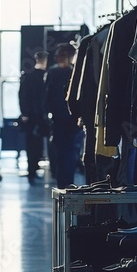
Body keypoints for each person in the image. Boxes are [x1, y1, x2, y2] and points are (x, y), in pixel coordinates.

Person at [44, 43, 82, 188]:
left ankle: (68, 183)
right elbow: (47, 97)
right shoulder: (53, 73)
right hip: (59, 121)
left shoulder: (75, 72)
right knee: (61, 154)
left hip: (72, 122)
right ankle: (63, 184)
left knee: (71, 154)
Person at [18, 50, 48, 185]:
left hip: (30, 115)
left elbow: (22, 96)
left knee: (31, 145)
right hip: (41, 115)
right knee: (39, 144)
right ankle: (34, 169)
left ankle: (32, 170)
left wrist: (25, 112)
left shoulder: (28, 77)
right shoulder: (46, 76)